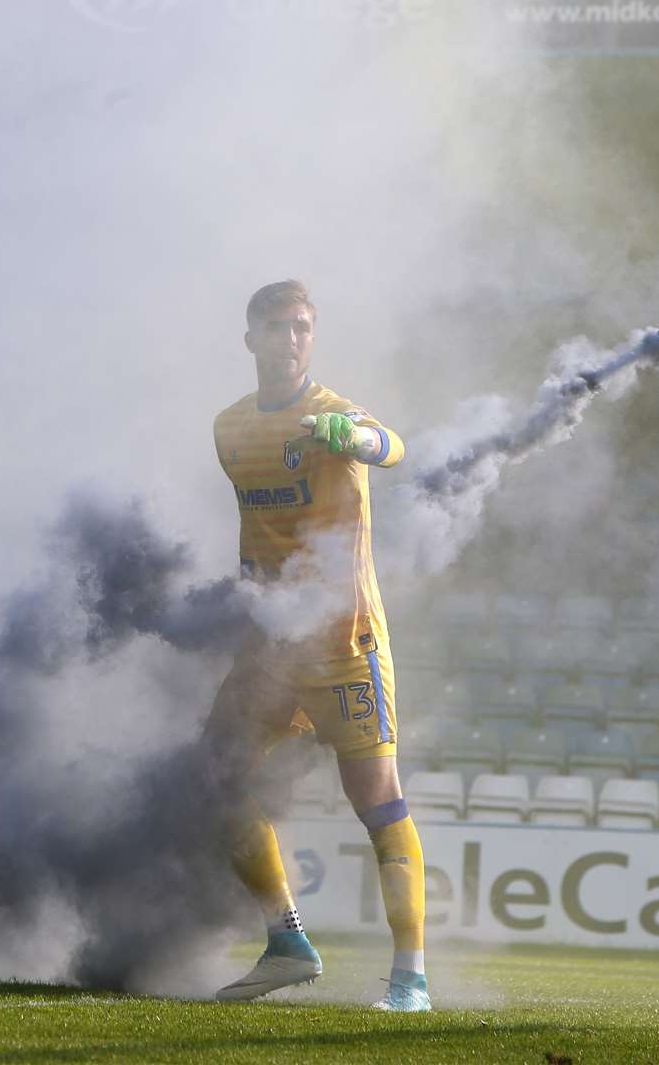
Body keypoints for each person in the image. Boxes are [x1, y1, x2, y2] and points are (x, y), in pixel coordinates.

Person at [205, 280, 428, 1012]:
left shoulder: (333, 413)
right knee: (216, 775)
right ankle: (287, 942)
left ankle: (409, 981)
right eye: (277, 327)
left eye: (302, 327)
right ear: (251, 340)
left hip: (343, 639)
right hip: (270, 645)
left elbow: (390, 446)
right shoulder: (229, 428)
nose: (292, 339)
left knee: (377, 801)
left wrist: (353, 439)